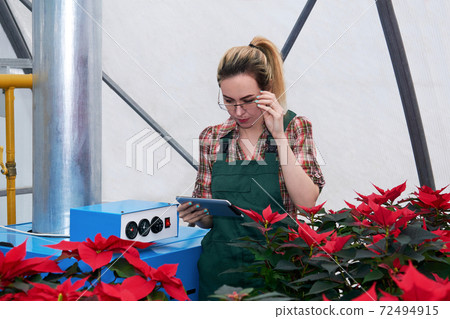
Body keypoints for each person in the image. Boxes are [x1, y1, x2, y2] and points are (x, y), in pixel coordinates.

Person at [178, 36, 325, 300]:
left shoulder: (294, 128)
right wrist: (198, 215)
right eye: (228, 100)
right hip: (221, 271)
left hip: (277, 267)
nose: (238, 111)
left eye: (247, 100)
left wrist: (279, 137)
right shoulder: (212, 137)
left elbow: (306, 203)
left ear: (267, 91)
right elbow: (211, 217)